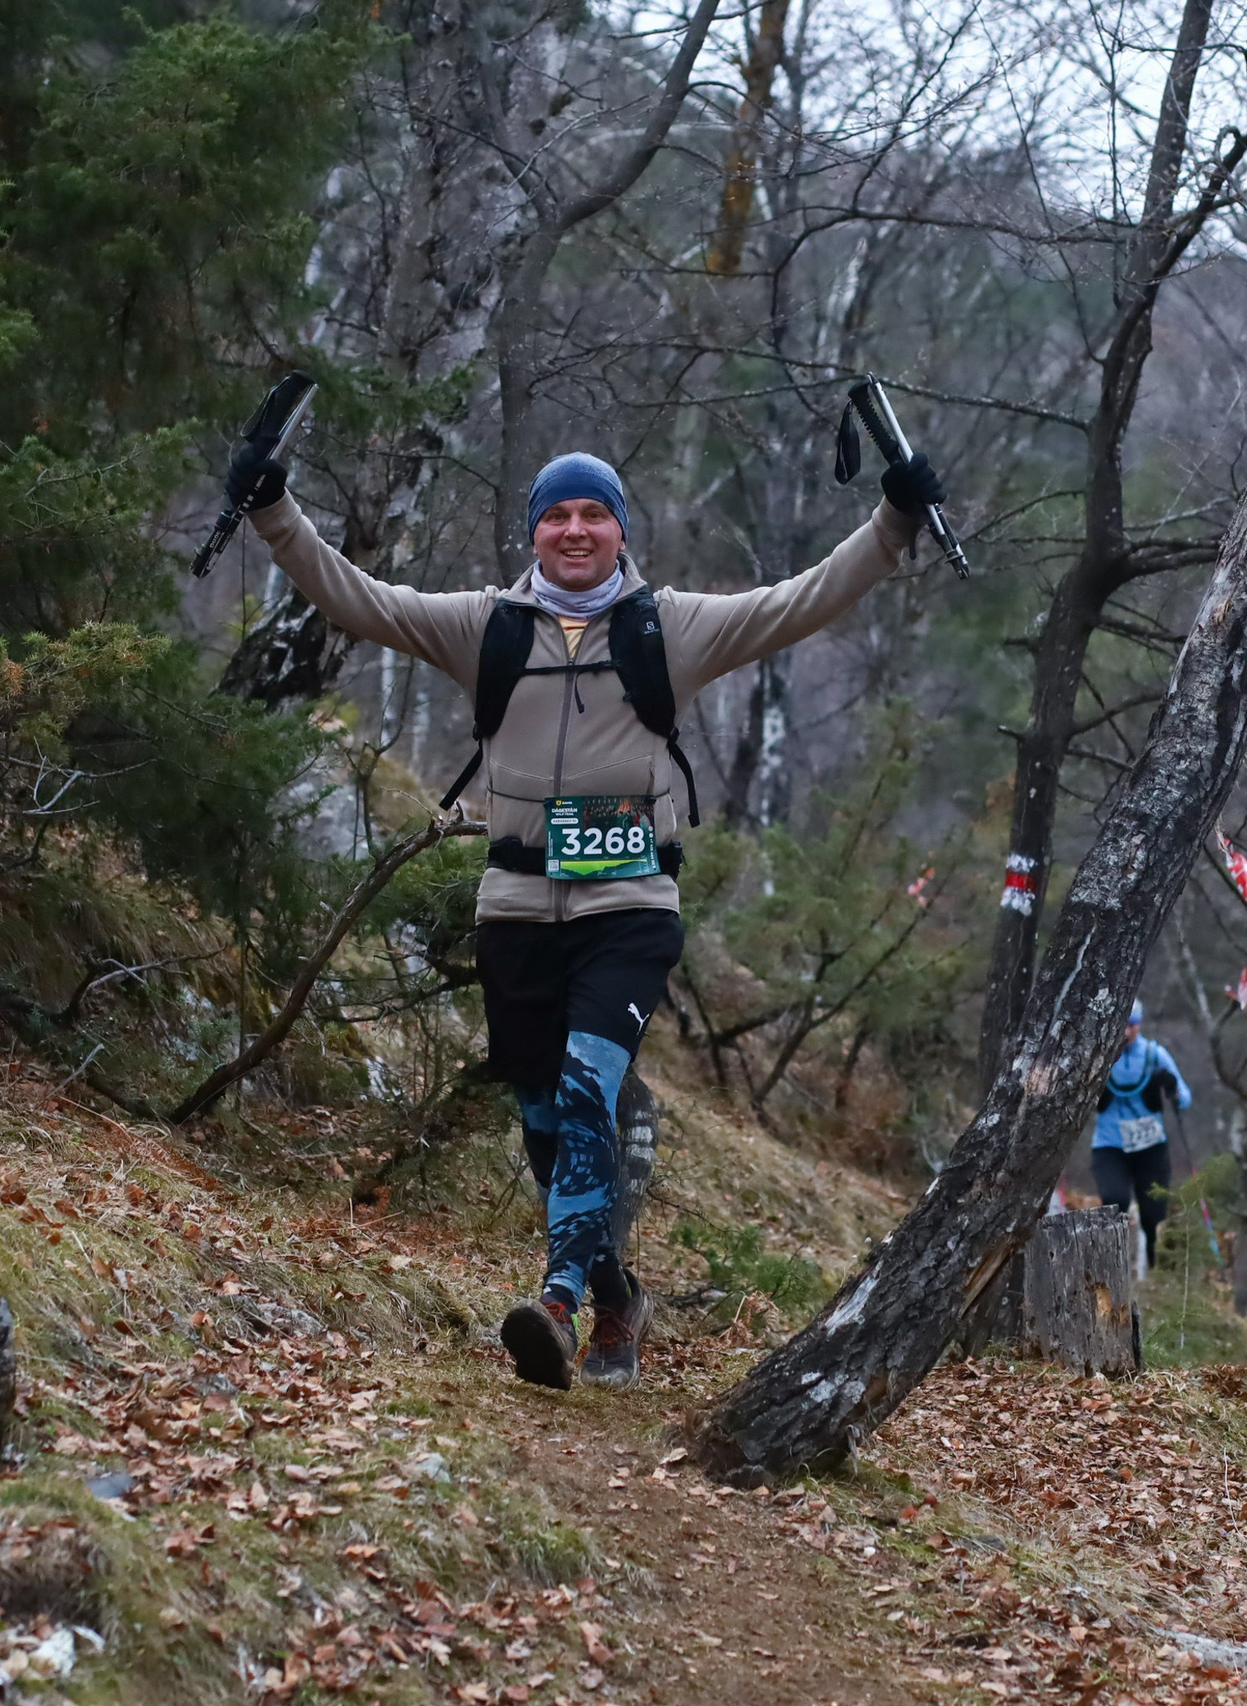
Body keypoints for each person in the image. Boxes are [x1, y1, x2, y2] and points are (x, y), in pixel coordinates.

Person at [221, 436, 949, 1390]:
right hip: (516, 906)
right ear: (534, 531)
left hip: (629, 908)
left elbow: (798, 601)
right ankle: (617, 1296)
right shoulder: (486, 627)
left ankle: (558, 1299)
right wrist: (273, 507)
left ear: (620, 529)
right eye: (557, 515)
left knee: (584, 1090)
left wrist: (893, 520)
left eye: (593, 513)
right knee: (544, 1128)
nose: (575, 530)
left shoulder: (669, 627)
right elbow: (358, 597)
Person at [1091, 1000, 1190, 1272]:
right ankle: (1111, 1266)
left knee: (1153, 1213)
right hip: (1110, 1144)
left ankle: (1157, 1269)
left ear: (1140, 1025)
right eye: (1122, 1024)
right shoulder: (1099, 1054)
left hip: (1150, 1147)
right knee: (1114, 1200)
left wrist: (1170, 1087)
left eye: (1132, 1025)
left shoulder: (1154, 1054)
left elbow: (1185, 1098)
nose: (1126, 1031)